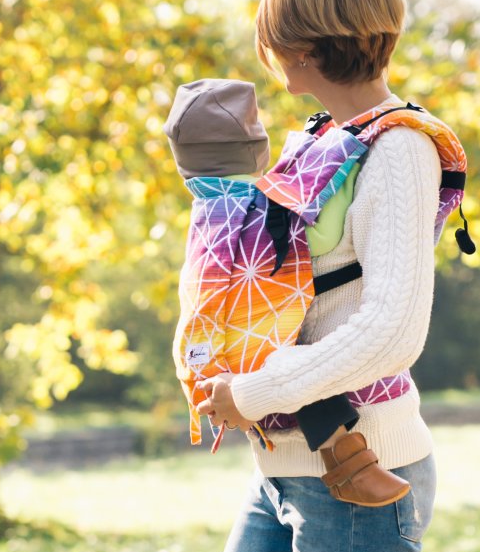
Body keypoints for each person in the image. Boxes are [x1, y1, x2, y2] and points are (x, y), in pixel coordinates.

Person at [191, 0, 457, 552]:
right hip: (287, 467)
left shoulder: (398, 151)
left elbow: (389, 331)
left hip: (356, 467)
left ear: (298, 45)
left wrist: (254, 391)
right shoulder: (321, 141)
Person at [165, 77, 411, 507]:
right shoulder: (262, 202)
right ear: (259, 151)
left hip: (206, 349)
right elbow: (321, 237)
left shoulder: (203, 207)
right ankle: (351, 464)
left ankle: (349, 465)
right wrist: (348, 176)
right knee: (302, 375)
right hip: (256, 333)